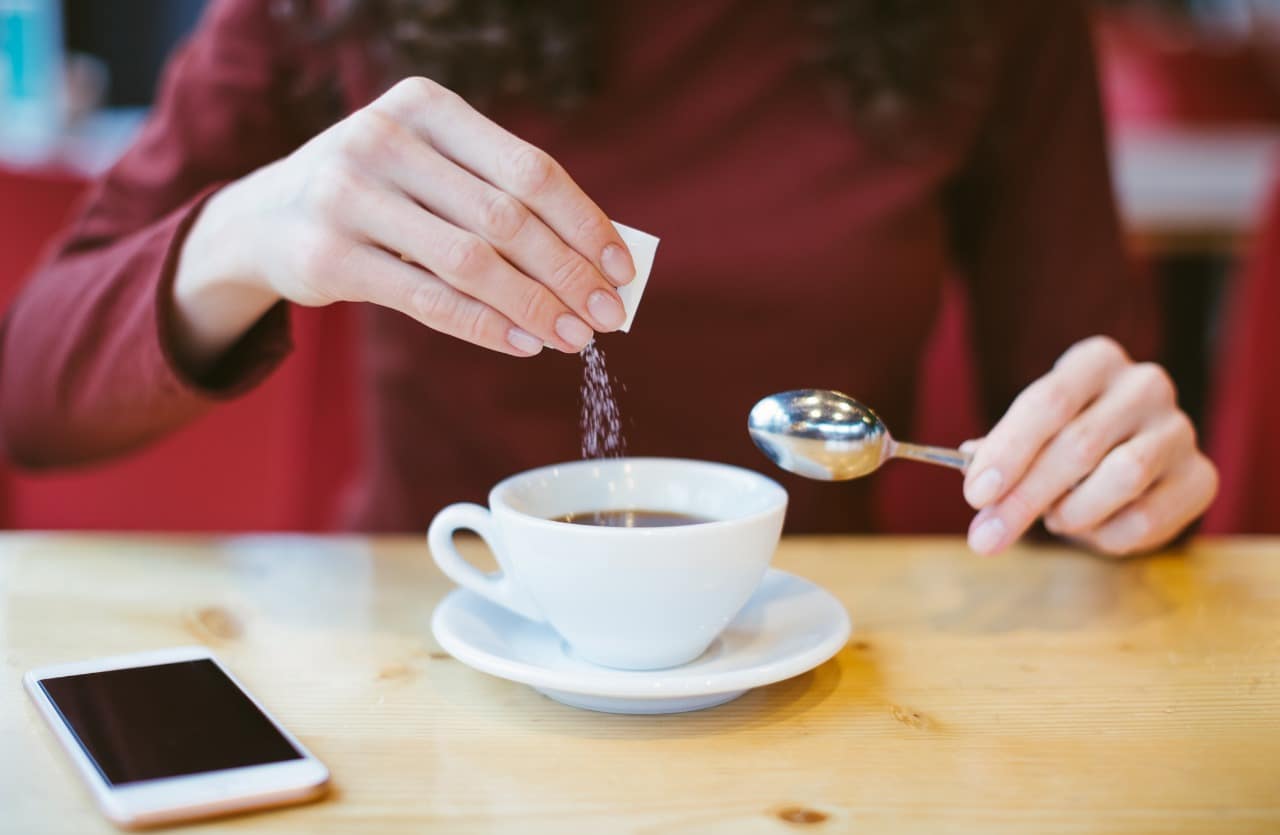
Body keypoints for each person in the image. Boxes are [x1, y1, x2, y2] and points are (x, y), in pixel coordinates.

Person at [0, 0, 1217, 555]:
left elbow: (1079, 418)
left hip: (816, 667)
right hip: (429, 648)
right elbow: (30, 393)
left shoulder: (989, 21)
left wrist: (1116, 476)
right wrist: (254, 229)